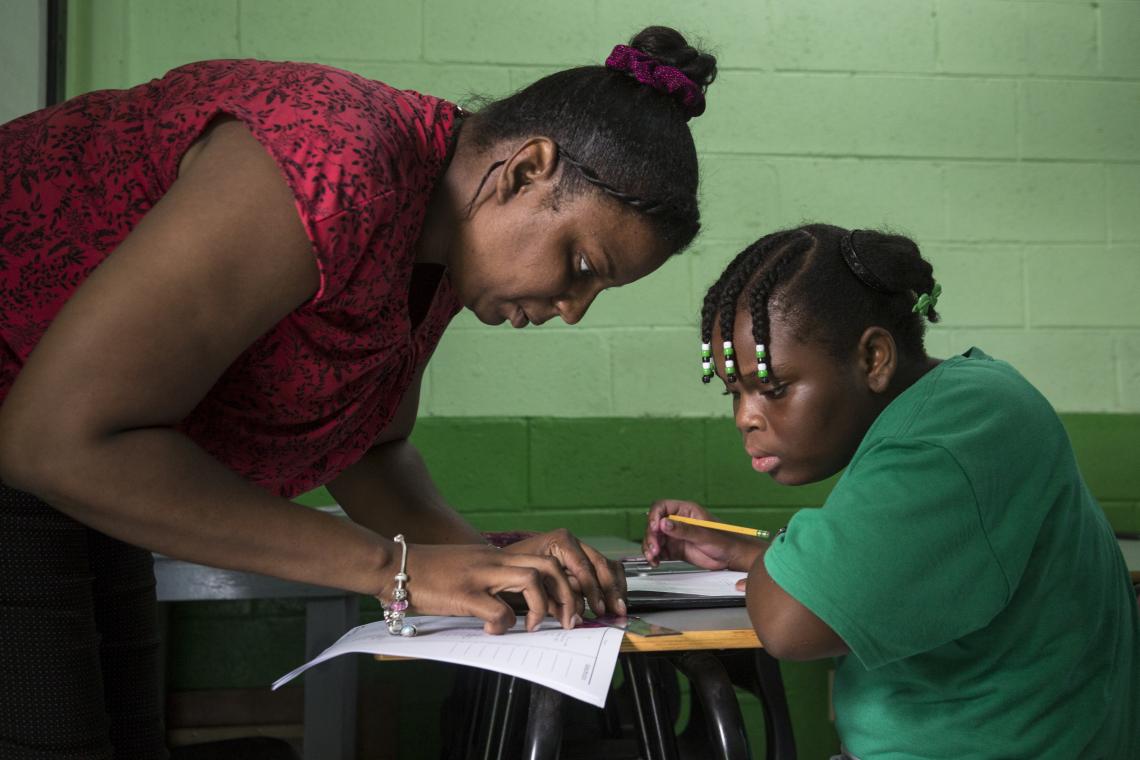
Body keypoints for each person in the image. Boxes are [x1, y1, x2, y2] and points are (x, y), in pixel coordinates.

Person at [0, 26, 717, 758]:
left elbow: (370, 450)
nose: (573, 308)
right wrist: (392, 569)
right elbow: (54, 440)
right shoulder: (334, 167)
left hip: (81, 468)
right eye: (581, 264)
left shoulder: (439, 247)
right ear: (525, 171)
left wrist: (491, 564)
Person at [642, 223, 1139, 759]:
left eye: (774, 388)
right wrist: (744, 550)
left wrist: (780, 569)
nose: (746, 418)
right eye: (734, 393)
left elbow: (790, 624)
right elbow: (899, 565)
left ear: (873, 359)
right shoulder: (950, 408)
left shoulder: (954, 433)